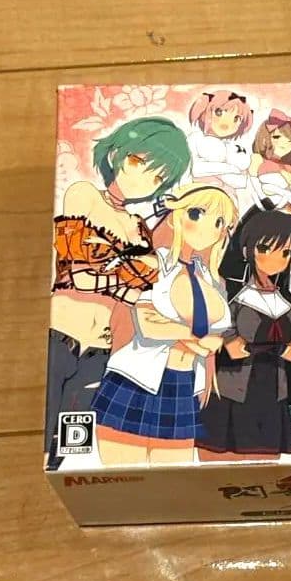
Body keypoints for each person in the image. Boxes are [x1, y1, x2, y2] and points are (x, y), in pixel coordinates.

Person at [47, 117, 190, 466]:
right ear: (116, 154)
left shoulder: (139, 228)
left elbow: (140, 290)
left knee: (67, 448)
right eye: (139, 162)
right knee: (44, 433)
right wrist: (129, 272)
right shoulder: (84, 194)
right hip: (60, 335)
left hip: (100, 350)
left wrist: (117, 269)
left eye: (157, 177)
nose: (144, 179)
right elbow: (80, 273)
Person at [91, 185, 237, 465]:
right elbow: (148, 324)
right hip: (138, 382)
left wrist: (209, 343)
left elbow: (216, 338)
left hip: (184, 387)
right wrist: (195, 338)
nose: (209, 227)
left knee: (176, 478)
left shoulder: (213, 280)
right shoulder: (152, 264)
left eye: (220, 222)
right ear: (175, 216)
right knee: (124, 475)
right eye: (197, 213)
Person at [197, 208, 291, 461]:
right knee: (220, 463)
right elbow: (218, 331)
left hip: (273, 391)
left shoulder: (287, 298)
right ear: (248, 250)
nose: (276, 259)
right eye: (266, 248)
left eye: (286, 252)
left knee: (266, 466)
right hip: (232, 389)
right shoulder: (231, 292)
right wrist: (229, 342)